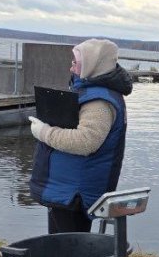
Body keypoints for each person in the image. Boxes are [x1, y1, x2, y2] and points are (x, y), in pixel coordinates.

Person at [27, 38, 133, 233]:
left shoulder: (99, 102)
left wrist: (44, 132)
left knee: (70, 250)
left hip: (76, 192)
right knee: (62, 247)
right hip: (67, 188)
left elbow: (85, 142)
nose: (71, 68)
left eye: (76, 63)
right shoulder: (93, 92)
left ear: (92, 65)